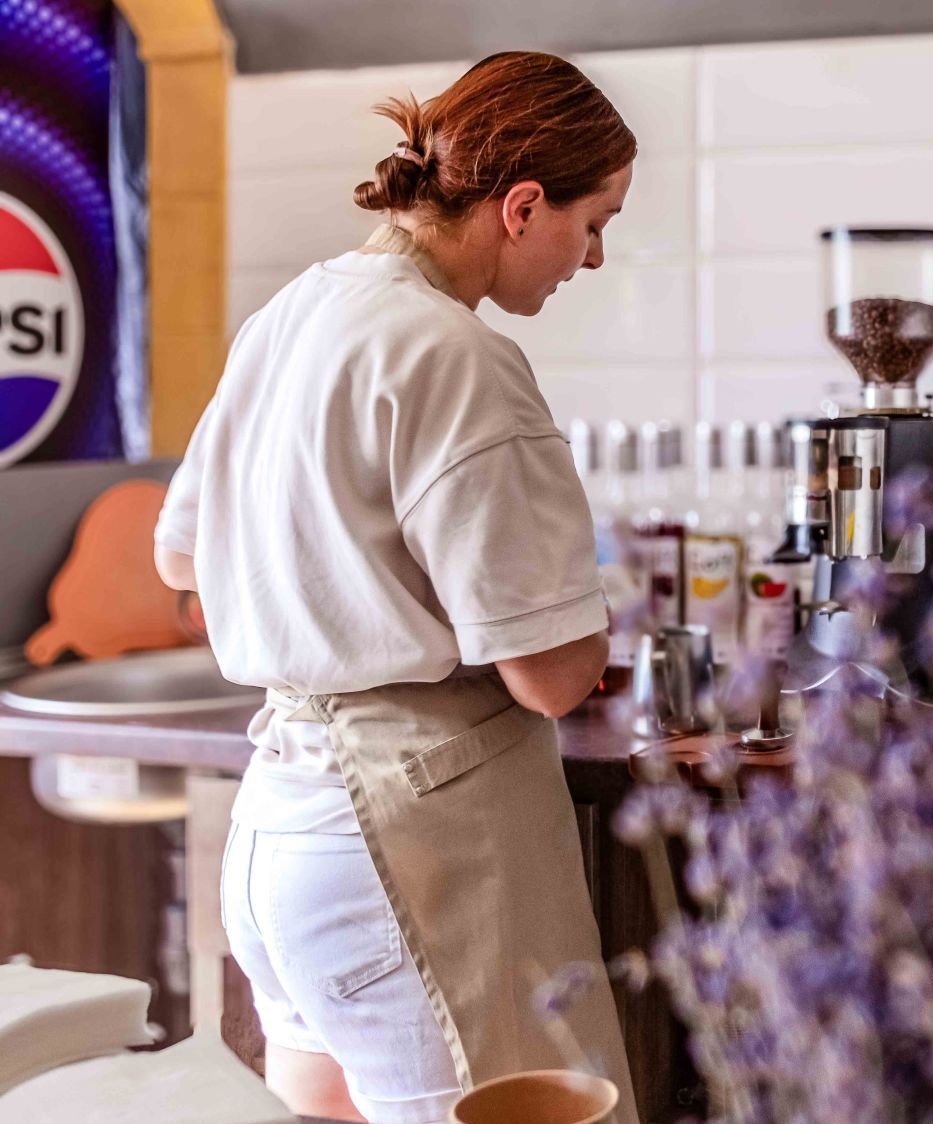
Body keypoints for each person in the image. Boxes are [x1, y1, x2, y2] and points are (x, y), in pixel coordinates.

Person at [153, 51, 639, 1124]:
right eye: (593, 221)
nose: (594, 256)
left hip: (281, 832)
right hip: (410, 849)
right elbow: (551, 675)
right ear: (522, 206)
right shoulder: (457, 354)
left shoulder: (291, 313)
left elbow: (181, 559)